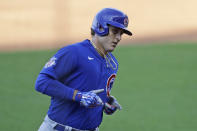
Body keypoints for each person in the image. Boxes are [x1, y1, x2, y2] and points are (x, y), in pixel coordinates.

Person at [35, 7, 132, 131]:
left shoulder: (112, 64)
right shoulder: (74, 52)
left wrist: (105, 101)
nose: (119, 38)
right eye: (115, 31)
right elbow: (42, 82)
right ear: (101, 28)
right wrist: (78, 96)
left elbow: (90, 90)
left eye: (121, 33)